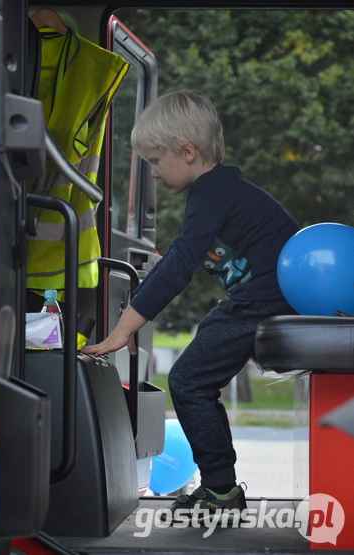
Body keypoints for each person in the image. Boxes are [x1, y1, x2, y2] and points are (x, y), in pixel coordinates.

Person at [82, 89, 300, 523]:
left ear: (187, 151)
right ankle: (220, 485)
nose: (155, 174)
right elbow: (188, 255)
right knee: (199, 359)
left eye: (156, 162)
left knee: (187, 378)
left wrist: (122, 330)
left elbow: (181, 264)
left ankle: (220, 489)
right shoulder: (221, 192)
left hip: (264, 302)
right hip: (258, 299)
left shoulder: (213, 193)